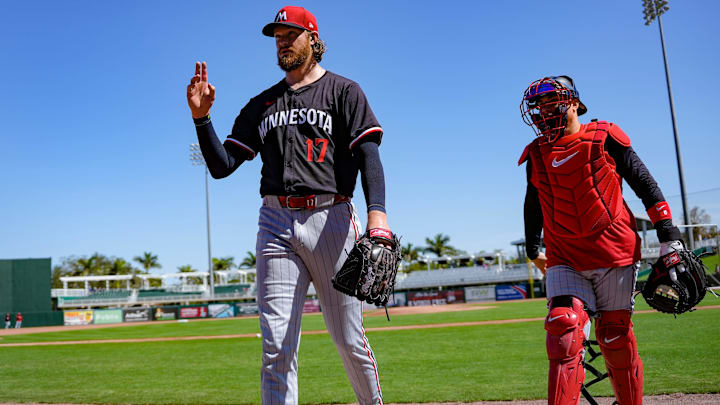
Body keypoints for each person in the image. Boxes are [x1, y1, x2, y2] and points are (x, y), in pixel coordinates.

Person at [186, 6, 388, 405]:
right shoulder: (262, 104)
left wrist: (377, 216)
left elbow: (368, 154)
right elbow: (222, 166)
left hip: (330, 216)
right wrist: (202, 118)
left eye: (289, 33)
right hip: (275, 222)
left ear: (313, 39)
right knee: (276, 347)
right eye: (276, 35)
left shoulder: (344, 91)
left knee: (349, 340)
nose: (281, 40)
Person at [518, 76, 684, 405]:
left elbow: (646, 185)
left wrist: (670, 237)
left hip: (615, 253)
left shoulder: (605, 136)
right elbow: (533, 202)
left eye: (552, 100)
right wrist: (532, 249)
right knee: (563, 329)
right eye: (538, 104)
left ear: (576, 103)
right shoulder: (536, 153)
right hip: (564, 256)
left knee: (615, 336)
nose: (544, 109)